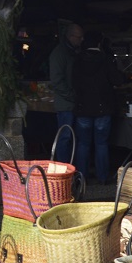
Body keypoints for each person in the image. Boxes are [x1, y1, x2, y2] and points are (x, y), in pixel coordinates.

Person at [71, 31, 125, 184]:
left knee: (83, 143)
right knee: (101, 144)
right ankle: (102, 177)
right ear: (99, 44)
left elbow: (73, 83)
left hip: (83, 107)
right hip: (103, 108)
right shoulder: (105, 59)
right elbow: (117, 79)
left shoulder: (78, 60)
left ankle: (82, 176)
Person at [49, 21, 84, 164]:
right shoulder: (59, 54)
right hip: (66, 104)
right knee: (65, 137)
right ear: (70, 36)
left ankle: (73, 168)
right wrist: (72, 96)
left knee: (75, 138)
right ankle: (64, 169)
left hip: (74, 102)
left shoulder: (74, 52)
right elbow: (57, 81)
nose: (82, 40)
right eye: (79, 37)